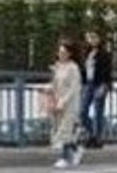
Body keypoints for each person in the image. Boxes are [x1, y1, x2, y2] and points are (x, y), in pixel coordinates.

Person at [48, 41, 84, 169]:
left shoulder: (73, 68)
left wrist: (64, 101)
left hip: (70, 103)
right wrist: (49, 91)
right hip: (58, 101)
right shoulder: (58, 67)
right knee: (59, 128)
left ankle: (65, 158)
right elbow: (55, 83)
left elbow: (74, 87)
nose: (61, 54)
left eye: (64, 52)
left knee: (65, 129)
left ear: (70, 54)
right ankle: (75, 148)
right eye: (60, 52)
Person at [79, 31, 113, 149]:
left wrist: (105, 85)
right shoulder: (86, 53)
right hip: (87, 84)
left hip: (99, 83)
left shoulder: (104, 54)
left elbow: (107, 72)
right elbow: (83, 70)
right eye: (89, 37)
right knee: (82, 110)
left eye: (94, 37)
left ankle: (97, 138)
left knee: (98, 111)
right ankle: (91, 134)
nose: (91, 40)